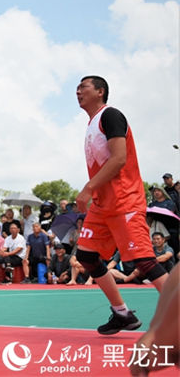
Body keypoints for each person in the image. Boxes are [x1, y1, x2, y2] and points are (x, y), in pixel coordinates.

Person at [74, 75, 168, 334]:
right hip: (103, 204)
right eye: (77, 88)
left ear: (100, 91)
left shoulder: (111, 115)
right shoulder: (92, 124)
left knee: (144, 261)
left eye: (84, 87)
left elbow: (118, 159)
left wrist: (87, 188)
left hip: (125, 200)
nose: (78, 91)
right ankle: (122, 313)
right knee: (86, 256)